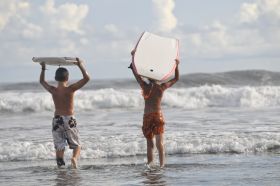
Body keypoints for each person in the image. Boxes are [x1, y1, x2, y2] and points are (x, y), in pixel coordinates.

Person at [129, 50, 179, 168]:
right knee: (159, 143)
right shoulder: (162, 87)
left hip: (147, 116)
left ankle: (150, 164)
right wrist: (176, 65)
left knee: (150, 143)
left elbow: (135, 73)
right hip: (158, 115)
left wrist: (133, 57)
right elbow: (176, 78)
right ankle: (162, 165)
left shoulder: (144, 86)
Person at [39, 58, 90, 168]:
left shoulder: (53, 90)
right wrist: (80, 65)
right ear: (67, 78)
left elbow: (42, 82)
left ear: (55, 78)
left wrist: (43, 68)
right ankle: (74, 158)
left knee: (59, 146)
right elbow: (87, 78)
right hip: (69, 119)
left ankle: (60, 167)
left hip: (57, 120)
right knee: (76, 144)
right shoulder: (71, 89)